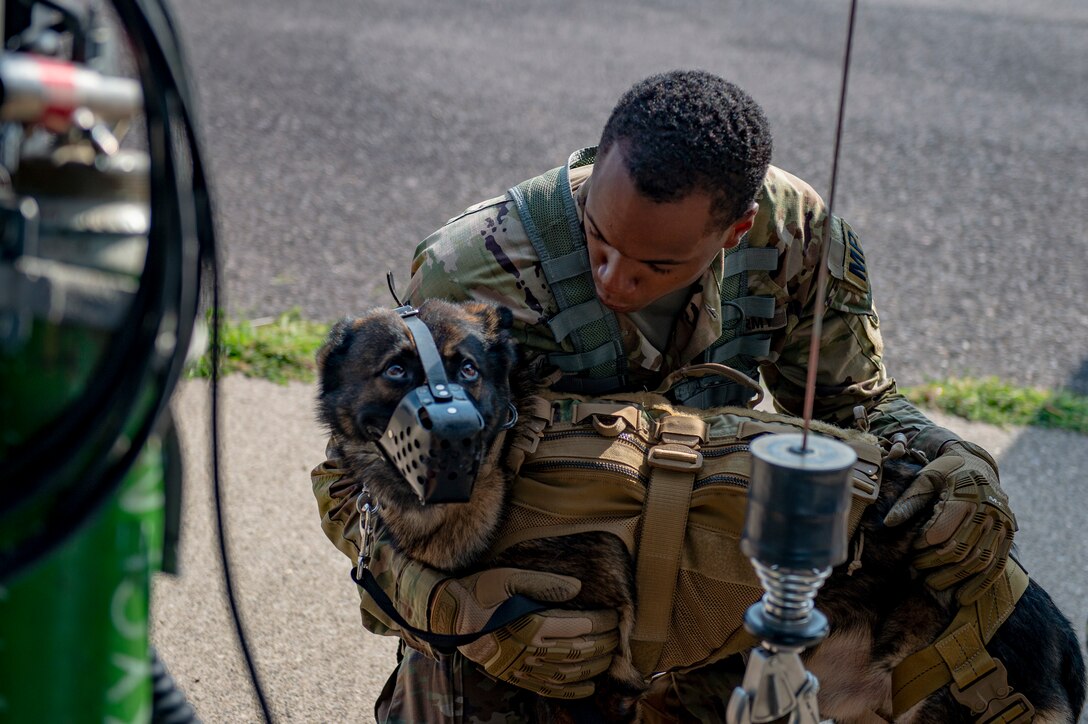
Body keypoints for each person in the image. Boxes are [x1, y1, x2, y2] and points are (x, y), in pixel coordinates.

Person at [312, 69, 1016, 722]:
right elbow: (350, 480)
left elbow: (855, 407)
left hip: (710, 589)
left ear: (735, 230)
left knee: (970, 579)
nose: (615, 280)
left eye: (657, 265)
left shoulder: (793, 231)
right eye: (598, 239)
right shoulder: (475, 269)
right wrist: (439, 605)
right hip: (531, 612)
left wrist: (952, 459)